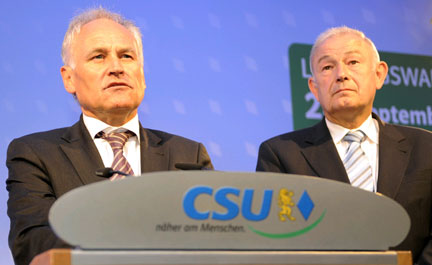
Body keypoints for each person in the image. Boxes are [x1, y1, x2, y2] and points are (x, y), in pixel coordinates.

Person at [6, 7, 213, 265]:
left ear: (142, 75)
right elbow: (32, 243)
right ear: (69, 79)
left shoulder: (188, 155)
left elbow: (217, 240)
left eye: (127, 56)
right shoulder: (35, 153)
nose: (116, 67)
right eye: (98, 57)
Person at [256, 26, 432, 264]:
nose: (341, 74)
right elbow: (276, 244)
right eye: (328, 67)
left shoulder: (426, 147)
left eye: (353, 62)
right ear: (314, 88)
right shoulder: (281, 154)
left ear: (379, 74)